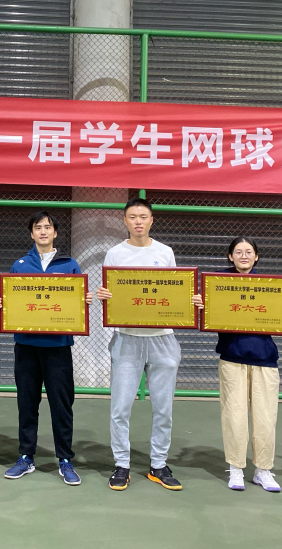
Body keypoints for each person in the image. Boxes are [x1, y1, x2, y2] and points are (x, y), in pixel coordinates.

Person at [0, 211, 93, 486]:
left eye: (47, 227)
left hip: (58, 347)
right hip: (26, 346)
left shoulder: (70, 265)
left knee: (62, 404)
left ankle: (65, 459)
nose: (43, 231)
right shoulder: (20, 265)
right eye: (38, 227)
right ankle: (26, 456)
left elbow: (77, 302)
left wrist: (84, 300)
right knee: (27, 403)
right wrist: (3, 303)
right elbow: (11, 300)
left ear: (55, 233)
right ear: (31, 233)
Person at [96, 198, 183, 492]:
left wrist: (188, 300)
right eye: (132, 216)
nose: (138, 221)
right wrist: (104, 297)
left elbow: (175, 291)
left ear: (151, 220)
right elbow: (109, 292)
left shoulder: (165, 252)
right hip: (127, 339)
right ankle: (122, 464)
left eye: (143, 216)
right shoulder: (115, 253)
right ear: (125, 221)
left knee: (164, 409)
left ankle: (158, 464)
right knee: (120, 408)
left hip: (162, 339)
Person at [191, 238, 281, 493]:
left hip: (265, 360)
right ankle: (236, 469)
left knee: (266, 418)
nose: (244, 256)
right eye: (238, 252)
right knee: (234, 415)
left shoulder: (271, 285)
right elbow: (208, 314)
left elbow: (280, 316)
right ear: (230, 256)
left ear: (256, 257)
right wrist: (201, 305)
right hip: (232, 358)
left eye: (249, 252)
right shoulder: (218, 283)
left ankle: (263, 471)